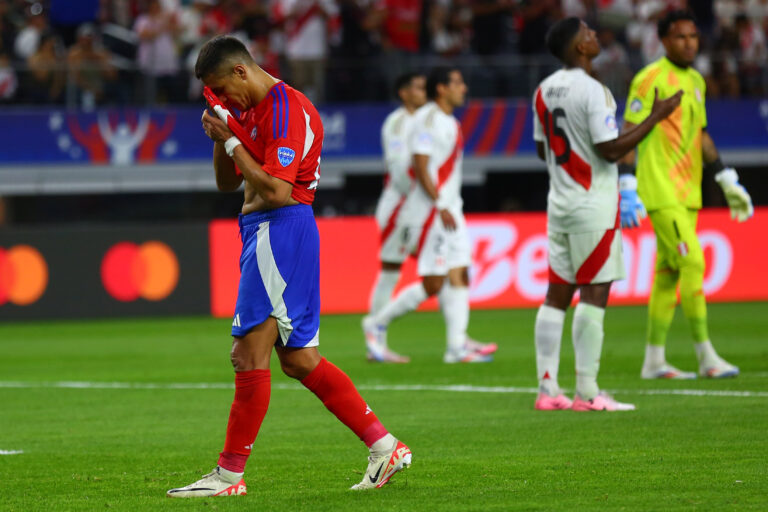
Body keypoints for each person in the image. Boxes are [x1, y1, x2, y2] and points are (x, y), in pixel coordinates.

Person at [166, 35, 411, 498]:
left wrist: (232, 141)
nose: (224, 98)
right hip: (265, 233)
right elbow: (226, 183)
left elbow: (278, 191)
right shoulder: (250, 111)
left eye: (224, 89)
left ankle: (229, 476)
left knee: (247, 354)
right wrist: (223, 129)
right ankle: (385, 447)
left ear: (241, 71)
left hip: (279, 230)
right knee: (299, 360)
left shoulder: (284, 109)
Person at [531, 17, 681, 412]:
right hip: (593, 204)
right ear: (579, 47)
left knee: (556, 295)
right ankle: (588, 393)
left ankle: (548, 391)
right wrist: (656, 116)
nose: (595, 35)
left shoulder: (543, 90)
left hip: (559, 204)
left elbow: (542, 149)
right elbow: (610, 149)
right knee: (594, 293)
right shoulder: (594, 90)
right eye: (588, 32)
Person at [620, 10, 753, 380]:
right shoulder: (649, 78)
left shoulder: (696, 80)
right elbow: (629, 130)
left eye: (693, 36)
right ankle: (706, 356)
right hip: (659, 189)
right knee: (693, 263)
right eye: (680, 37)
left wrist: (725, 177)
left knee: (667, 274)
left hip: (689, 190)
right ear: (664, 40)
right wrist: (626, 183)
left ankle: (654, 361)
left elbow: (702, 134)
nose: (689, 43)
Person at [363, 67, 497, 364]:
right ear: (443, 89)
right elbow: (414, 167)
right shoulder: (416, 121)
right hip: (421, 210)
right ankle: (376, 325)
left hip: (447, 208)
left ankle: (457, 344)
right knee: (422, 277)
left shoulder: (447, 121)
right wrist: (436, 203)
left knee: (459, 272)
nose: (464, 88)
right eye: (458, 83)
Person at [365, 72, 426, 363]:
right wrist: (422, 194)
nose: (423, 91)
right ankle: (375, 339)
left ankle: (459, 339)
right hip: (399, 209)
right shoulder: (397, 123)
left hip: (416, 208)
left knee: (445, 269)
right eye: (418, 87)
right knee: (391, 272)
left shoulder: (424, 121)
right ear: (403, 93)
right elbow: (399, 168)